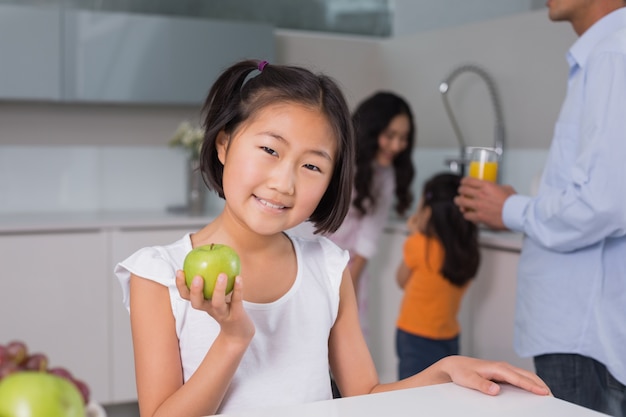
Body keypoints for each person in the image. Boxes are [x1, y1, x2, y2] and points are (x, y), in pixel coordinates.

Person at [114, 59, 549, 417]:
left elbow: (365, 395)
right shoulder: (158, 275)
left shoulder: (327, 265)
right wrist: (232, 338)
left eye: (312, 166)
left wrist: (444, 370)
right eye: (270, 149)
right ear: (224, 145)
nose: (284, 183)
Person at [454, 2, 626, 415]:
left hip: (584, 339)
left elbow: (606, 203)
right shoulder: (604, 53)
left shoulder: (613, 54)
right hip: (582, 335)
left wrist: (510, 209)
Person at [326, 91, 416, 336]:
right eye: (390, 136)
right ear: (371, 131)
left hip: (350, 266)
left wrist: (350, 283)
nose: (397, 146)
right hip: (313, 254)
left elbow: (369, 234)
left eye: (403, 138)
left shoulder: (385, 176)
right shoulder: (337, 159)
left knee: (344, 338)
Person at [396, 172, 480, 380]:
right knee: (444, 394)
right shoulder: (468, 252)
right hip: (449, 337)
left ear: (427, 211)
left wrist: (415, 231)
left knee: (411, 398)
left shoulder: (418, 244)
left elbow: (400, 280)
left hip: (414, 336)